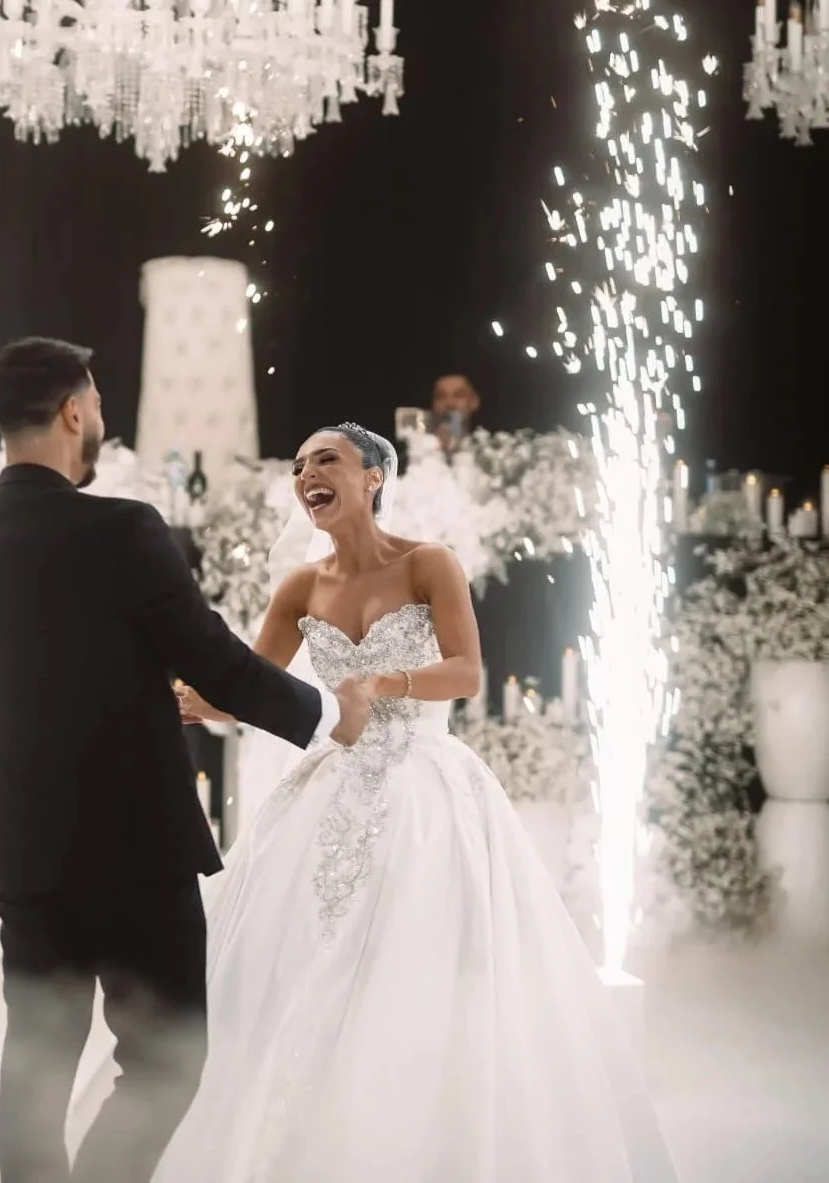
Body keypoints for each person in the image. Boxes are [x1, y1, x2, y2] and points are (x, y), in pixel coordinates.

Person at [73, 423, 678, 1182]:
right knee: (290, 964)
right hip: (327, 789)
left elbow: (465, 673)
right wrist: (189, 699)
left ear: (375, 476)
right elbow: (255, 685)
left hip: (427, 789)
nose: (307, 475)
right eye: (298, 467)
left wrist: (385, 683)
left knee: (419, 968)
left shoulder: (430, 563)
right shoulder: (300, 586)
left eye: (327, 459)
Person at [0, 339, 372, 1183]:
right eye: (95, 406)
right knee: (165, 1063)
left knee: (36, 1071)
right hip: (135, 849)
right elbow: (215, 662)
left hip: (29, 847)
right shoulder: (124, 528)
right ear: (73, 413)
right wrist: (327, 713)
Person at [431, 370, 481, 455]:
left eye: (458, 395)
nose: (449, 404)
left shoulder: (487, 453)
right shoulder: (417, 453)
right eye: (441, 396)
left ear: (474, 402)